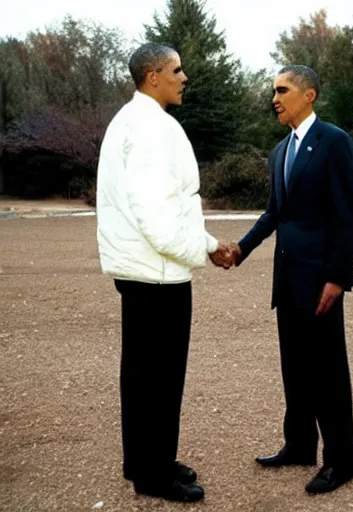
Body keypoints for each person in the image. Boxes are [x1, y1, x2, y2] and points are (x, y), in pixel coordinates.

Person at [96, 42, 232, 503]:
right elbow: (157, 216)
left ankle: (148, 459)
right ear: (152, 76)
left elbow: (169, 209)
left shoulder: (132, 121)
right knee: (157, 378)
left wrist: (209, 244)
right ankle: (153, 476)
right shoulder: (150, 128)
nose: (184, 76)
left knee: (144, 376)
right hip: (156, 274)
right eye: (176, 69)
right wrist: (202, 252)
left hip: (146, 270)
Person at [230, 65, 353, 494]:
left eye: (282, 89)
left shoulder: (335, 142)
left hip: (321, 281)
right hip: (287, 280)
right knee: (296, 369)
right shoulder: (279, 150)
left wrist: (338, 277)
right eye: (273, 91)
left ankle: (340, 462)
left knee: (328, 373)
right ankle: (300, 445)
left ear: (310, 94)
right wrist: (240, 250)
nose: (275, 98)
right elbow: (274, 213)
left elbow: (346, 215)